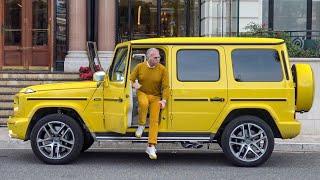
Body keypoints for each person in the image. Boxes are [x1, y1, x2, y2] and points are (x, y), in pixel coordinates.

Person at [130, 48, 169, 159]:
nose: (158, 59)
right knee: (143, 104)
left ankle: (151, 146)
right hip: (142, 92)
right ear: (149, 57)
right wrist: (135, 85)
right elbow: (131, 79)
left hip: (156, 96)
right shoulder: (140, 66)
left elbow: (166, 87)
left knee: (154, 120)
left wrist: (164, 100)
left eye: (159, 57)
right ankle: (141, 125)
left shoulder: (162, 69)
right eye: (156, 57)